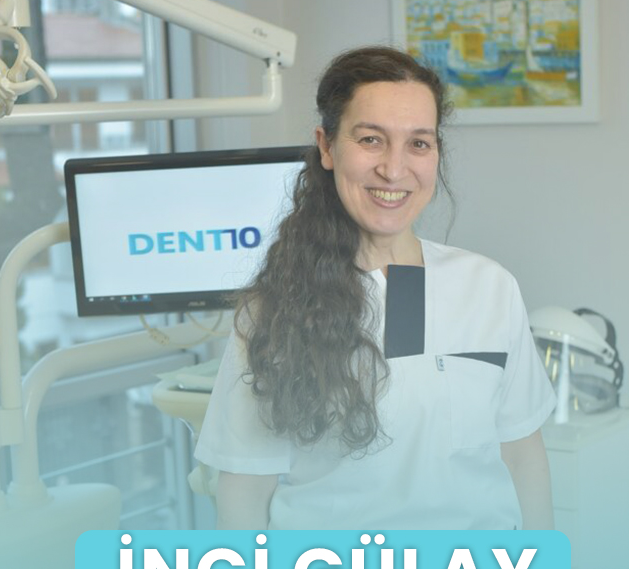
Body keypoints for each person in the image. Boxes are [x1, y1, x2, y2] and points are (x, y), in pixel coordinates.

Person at [194, 46, 556, 535]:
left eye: (418, 143)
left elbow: (523, 456)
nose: (394, 168)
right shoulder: (272, 311)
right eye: (371, 140)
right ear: (327, 147)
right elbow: (243, 496)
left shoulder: (489, 288)